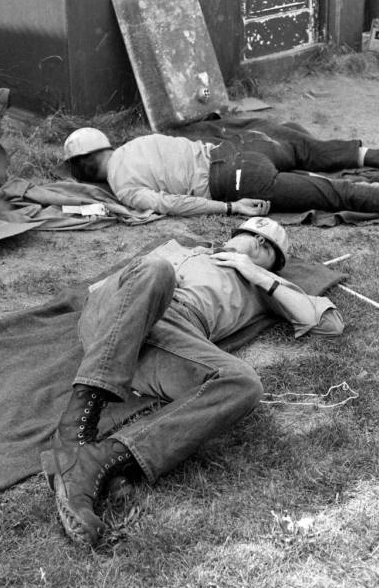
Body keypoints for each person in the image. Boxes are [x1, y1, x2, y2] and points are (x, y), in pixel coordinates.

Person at [40, 217, 344, 545]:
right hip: (114, 315)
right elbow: (120, 284)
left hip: (167, 339)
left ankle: (98, 461)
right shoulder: (180, 249)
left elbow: (330, 324)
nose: (257, 245)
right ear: (239, 234)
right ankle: (74, 432)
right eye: (253, 236)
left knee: (243, 383)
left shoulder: (261, 284)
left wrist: (258, 276)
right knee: (157, 270)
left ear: (273, 262)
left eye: (269, 249)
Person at [61, 125, 379, 221]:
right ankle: (378, 157)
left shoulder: (123, 186)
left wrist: (231, 209)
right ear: (104, 145)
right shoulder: (136, 144)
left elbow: (172, 204)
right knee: (303, 148)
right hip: (245, 147)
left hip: (235, 180)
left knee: (336, 195)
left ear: (82, 168)